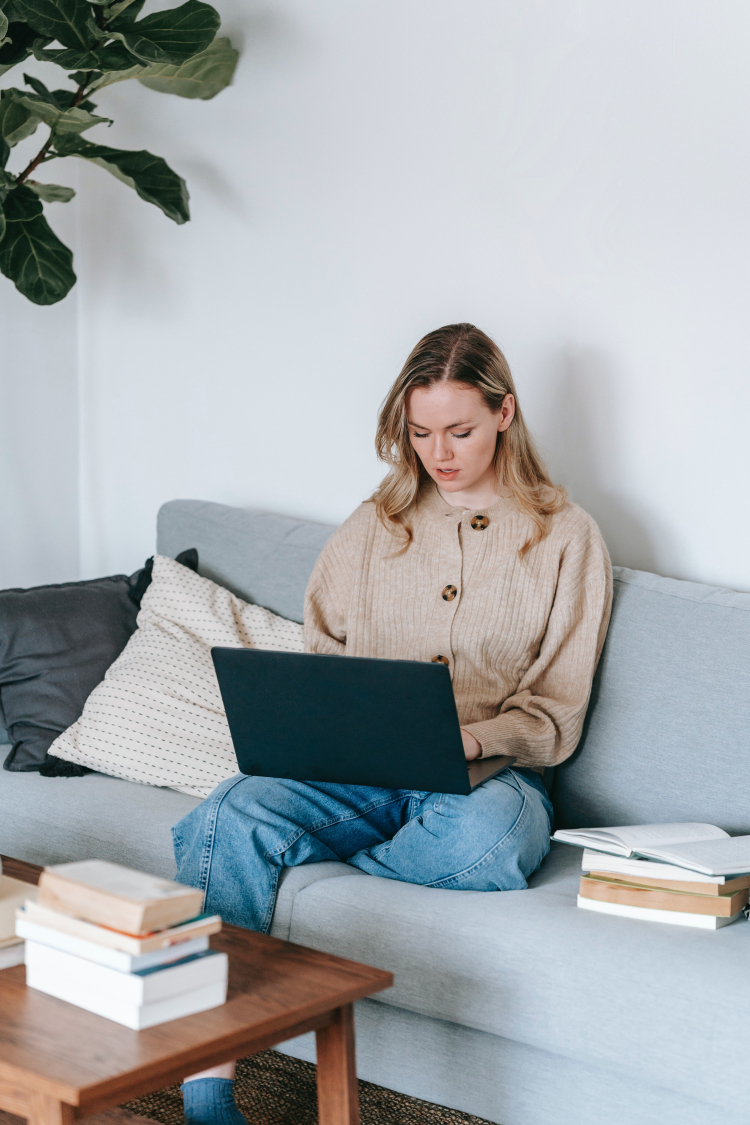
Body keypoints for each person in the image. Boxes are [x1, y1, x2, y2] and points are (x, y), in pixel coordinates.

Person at [175, 322, 613, 1125]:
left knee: (488, 844)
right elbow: (321, 651)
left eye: (460, 430)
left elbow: (558, 710)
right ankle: (206, 1088)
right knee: (228, 812)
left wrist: (478, 736)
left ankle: (334, 853)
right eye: (419, 432)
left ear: (505, 413)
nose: (438, 452)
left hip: (485, 779)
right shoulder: (375, 522)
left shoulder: (566, 536)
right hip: (356, 767)